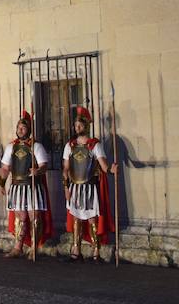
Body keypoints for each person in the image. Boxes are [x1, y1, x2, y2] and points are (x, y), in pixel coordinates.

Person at [63, 106, 118, 262]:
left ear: (86, 126)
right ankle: (76, 250)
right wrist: (65, 187)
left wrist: (111, 170)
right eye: (75, 125)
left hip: (89, 187)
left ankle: (96, 252)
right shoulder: (70, 146)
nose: (77, 127)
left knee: (92, 219)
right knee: (76, 219)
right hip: (74, 186)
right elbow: (66, 169)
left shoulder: (94, 145)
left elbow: (104, 166)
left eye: (80, 125)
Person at [0, 111, 53, 258]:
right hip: (17, 186)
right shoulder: (11, 147)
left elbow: (44, 166)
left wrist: (38, 170)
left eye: (23, 128)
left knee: (34, 217)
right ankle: (18, 247)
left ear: (28, 130)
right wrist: (2, 183)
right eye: (18, 128)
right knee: (20, 218)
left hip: (32, 186)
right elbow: (5, 168)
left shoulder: (36, 146)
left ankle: (34, 248)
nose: (20, 130)